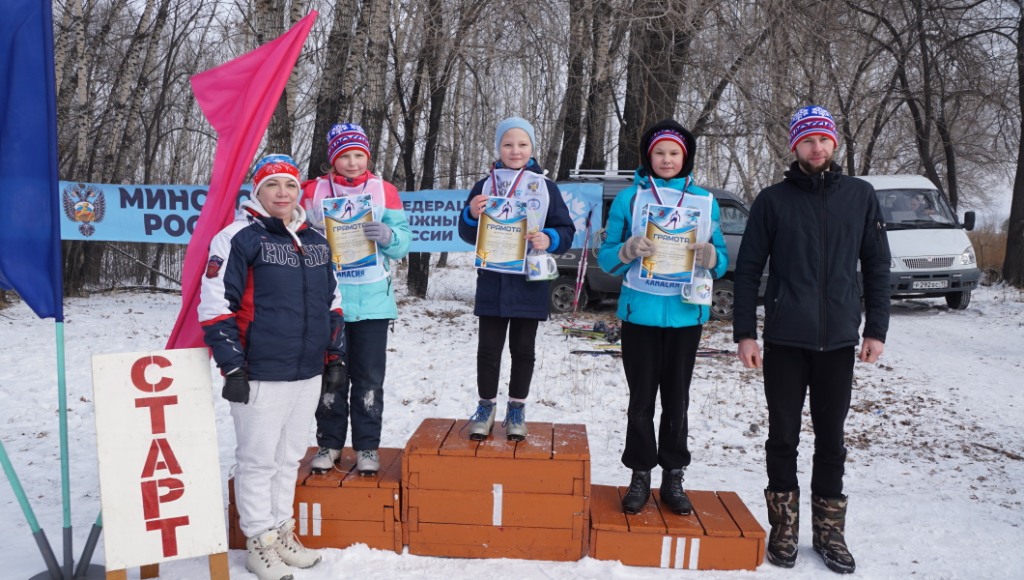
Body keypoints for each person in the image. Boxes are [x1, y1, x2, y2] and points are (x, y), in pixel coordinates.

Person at [732, 105, 891, 574]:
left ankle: (829, 533)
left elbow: (877, 266)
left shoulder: (860, 197)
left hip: (839, 342)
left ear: (834, 144)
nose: (816, 147)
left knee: (832, 440)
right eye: (807, 140)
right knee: (783, 436)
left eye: (823, 139)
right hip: (784, 340)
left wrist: (876, 329)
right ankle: (783, 530)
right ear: (794, 147)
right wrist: (745, 333)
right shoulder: (772, 201)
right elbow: (747, 272)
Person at [199, 154, 345, 580]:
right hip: (260, 370)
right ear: (257, 191)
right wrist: (233, 368)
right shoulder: (237, 238)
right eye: (273, 186)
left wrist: (333, 356)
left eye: (290, 186)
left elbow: (332, 303)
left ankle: (282, 531)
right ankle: (257, 541)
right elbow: (214, 308)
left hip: (307, 370)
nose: (283, 193)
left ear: (300, 191)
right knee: (258, 459)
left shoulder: (316, 239)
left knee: (289, 457)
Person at [596, 119, 729, 516]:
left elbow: (720, 255)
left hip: (686, 315)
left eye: (674, 153)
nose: (667, 159)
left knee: (677, 400)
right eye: (659, 153)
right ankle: (640, 473)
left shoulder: (704, 200)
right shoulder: (629, 200)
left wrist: (712, 258)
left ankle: (674, 475)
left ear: (684, 157)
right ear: (648, 157)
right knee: (640, 401)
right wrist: (626, 250)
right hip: (640, 314)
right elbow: (605, 257)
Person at [300, 123, 411, 476]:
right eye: (344, 155)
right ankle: (329, 444)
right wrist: (311, 238)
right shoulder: (313, 191)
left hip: (373, 303)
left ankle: (367, 448)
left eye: (358, 155)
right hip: (327, 302)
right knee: (331, 378)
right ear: (333, 158)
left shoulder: (384, 191)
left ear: (368, 156)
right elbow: (291, 228)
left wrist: (389, 234)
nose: (352, 162)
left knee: (369, 379)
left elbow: (404, 242)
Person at [458, 116, 575, 441]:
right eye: (508, 144)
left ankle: (516, 409)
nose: (515, 150)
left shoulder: (545, 186)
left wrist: (549, 238)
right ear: (498, 148)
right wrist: (471, 214)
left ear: (532, 148)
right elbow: (467, 233)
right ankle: (485, 408)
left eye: (522, 144)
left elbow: (567, 231)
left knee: (523, 349)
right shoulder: (484, 186)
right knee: (488, 350)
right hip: (493, 282)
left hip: (529, 282)